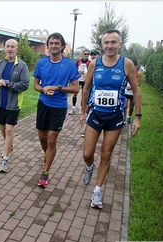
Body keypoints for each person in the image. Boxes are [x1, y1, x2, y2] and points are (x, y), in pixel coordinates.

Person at [80, 29, 141, 209]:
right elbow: (86, 89)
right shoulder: (94, 63)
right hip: (96, 113)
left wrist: (137, 116)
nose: (110, 46)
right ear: (102, 45)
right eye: (106, 42)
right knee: (87, 154)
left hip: (115, 115)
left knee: (106, 153)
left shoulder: (127, 64)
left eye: (113, 42)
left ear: (120, 44)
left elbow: (136, 91)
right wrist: (83, 112)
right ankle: (90, 166)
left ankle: (97, 192)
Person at [33, 32, 80, 188]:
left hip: (59, 106)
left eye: (57, 43)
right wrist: (44, 90)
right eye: (51, 43)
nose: (54, 45)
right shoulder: (41, 63)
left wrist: (58, 88)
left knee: (52, 138)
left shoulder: (69, 64)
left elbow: (76, 89)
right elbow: (36, 85)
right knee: (42, 138)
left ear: (62, 46)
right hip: (43, 104)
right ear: (47, 46)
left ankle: (45, 173)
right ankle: (48, 157)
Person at [0, 39, 29, 173]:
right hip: (1, 102)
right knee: (2, 128)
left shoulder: (22, 66)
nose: (10, 49)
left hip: (13, 104)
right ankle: (10, 146)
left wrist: (8, 83)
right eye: (8, 46)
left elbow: (25, 84)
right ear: (4, 48)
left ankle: (5, 160)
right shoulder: (0, 63)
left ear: (17, 49)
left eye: (13, 47)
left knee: (9, 130)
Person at [81, 49, 100, 138]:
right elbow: (86, 79)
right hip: (90, 92)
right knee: (88, 110)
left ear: (98, 55)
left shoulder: (101, 65)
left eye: (94, 55)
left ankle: (93, 130)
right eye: (91, 55)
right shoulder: (88, 65)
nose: (93, 56)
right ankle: (87, 130)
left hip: (98, 94)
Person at [69, 49, 91, 115]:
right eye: (85, 54)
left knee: (83, 94)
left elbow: (90, 71)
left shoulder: (90, 62)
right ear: (82, 54)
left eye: (87, 54)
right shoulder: (79, 61)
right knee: (75, 93)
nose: (86, 55)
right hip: (78, 79)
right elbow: (74, 70)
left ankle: (82, 108)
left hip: (85, 80)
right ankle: (73, 108)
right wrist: (78, 72)